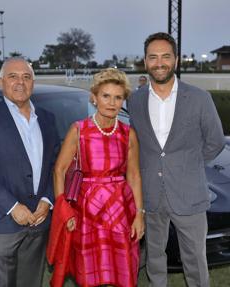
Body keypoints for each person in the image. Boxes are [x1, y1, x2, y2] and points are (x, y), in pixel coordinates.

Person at [127, 32, 225, 287]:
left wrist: (187, 166)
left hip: (190, 193)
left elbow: (215, 141)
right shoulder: (134, 100)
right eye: (153, 57)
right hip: (150, 196)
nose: (159, 63)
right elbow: (135, 146)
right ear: (145, 62)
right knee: (155, 257)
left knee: (195, 258)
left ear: (177, 60)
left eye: (165, 56)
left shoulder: (200, 98)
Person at [0, 57, 59, 287]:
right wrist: (13, 207)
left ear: (33, 83)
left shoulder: (48, 119)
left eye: (26, 77)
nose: (20, 82)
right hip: (4, 223)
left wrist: (48, 200)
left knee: (31, 281)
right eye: (13, 76)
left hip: (39, 219)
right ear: (1, 83)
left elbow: (56, 167)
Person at [52, 68, 145, 287]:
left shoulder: (127, 133)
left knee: (121, 268)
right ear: (94, 97)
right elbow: (60, 170)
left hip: (120, 210)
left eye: (118, 97)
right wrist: (63, 209)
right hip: (86, 210)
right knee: (89, 270)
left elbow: (133, 175)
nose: (112, 103)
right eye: (106, 96)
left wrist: (139, 215)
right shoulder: (79, 130)